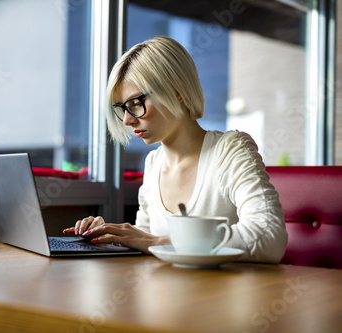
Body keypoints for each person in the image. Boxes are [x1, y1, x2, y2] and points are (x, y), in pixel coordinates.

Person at [63, 36, 288, 264]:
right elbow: (146, 241)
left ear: (177, 92)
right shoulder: (153, 163)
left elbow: (269, 238)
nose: (127, 121)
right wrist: (112, 237)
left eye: (136, 104)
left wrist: (156, 242)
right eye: (122, 109)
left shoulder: (230, 150)